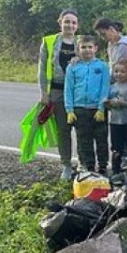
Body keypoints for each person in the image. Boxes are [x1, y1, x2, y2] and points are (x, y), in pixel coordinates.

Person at [37, 9, 79, 180]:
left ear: (77, 26)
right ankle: (66, 165)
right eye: (67, 21)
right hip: (56, 92)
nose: (70, 25)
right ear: (60, 22)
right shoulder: (49, 42)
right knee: (63, 130)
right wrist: (43, 92)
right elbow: (41, 68)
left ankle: (84, 164)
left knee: (82, 129)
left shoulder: (81, 42)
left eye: (74, 22)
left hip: (78, 94)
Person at [64, 35, 110, 174]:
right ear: (78, 49)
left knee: (101, 140)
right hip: (79, 110)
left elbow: (105, 88)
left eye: (90, 47)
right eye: (83, 47)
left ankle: (102, 166)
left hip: (97, 110)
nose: (87, 50)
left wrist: (101, 108)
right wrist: (69, 109)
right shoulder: (72, 67)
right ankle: (89, 167)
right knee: (84, 141)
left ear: (95, 48)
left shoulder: (102, 66)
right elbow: (69, 88)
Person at [106, 60, 127, 175]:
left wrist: (122, 103)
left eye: (122, 72)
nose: (119, 74)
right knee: (116, 148)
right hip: (115, 122)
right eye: (116, 71)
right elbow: (108, 104)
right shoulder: (111, 87)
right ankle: (116, 170)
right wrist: (109, 103)